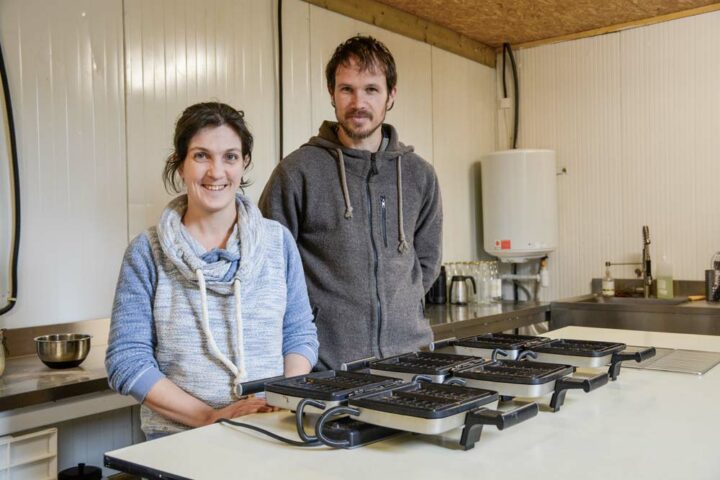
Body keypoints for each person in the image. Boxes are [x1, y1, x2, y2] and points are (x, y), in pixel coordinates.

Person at [106, 102, 318, 439]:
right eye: (201, 156)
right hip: (179, 444)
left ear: (244, 162)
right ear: (180, 165)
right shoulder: (146, 252)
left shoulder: (277, 242)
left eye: (230, 156)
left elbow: (299, 334)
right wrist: (210, 417)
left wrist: (285, 397)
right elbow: (126, 360)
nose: (216, 172)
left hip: (271, 433)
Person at [259, 35, 442, 370]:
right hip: (328, 369)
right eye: (347, 89)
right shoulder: (297, 172)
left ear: (391, 95)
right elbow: (269, 269)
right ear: (332, 93)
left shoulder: (420, 176)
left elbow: (427, 265)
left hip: (412, 361)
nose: (359, 102)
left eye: (371, 89)